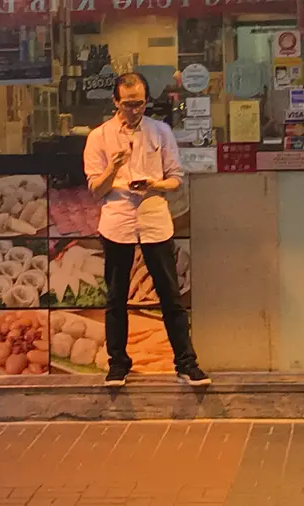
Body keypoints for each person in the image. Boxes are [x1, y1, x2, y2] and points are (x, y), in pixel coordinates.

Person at [84, 72, 210, 388]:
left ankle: (186, 364)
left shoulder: (161, 131)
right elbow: (96, 190)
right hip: (117, 222)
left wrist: (154, 184)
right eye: (128, 104)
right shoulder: (98, 137)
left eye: (139, 103)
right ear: (115, 101)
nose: (134, 110)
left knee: (170, 296)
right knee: (116, 298)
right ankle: (117, 365)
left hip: (155, 220)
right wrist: (113, 167)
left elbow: (176, 178)